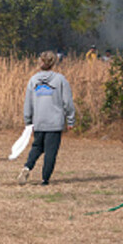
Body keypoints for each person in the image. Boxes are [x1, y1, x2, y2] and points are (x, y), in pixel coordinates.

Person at [17, 51, 75, 186]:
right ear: (53, 63)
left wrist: (28, 121)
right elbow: (67, 102)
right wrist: (71, 119)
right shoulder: (60, 80)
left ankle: (27, 167)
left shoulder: (33, 80)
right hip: (54, 123)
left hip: (39, 121)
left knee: (37, 147)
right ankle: (45, 179)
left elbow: (28, 103)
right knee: (50, 151)